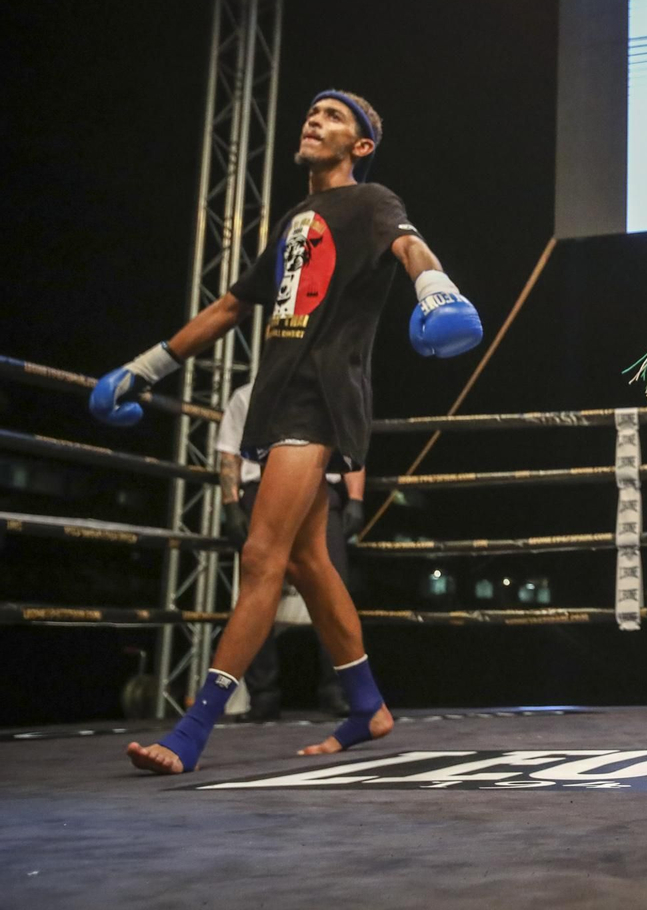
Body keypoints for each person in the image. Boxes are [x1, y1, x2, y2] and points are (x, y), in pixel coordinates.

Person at [90, 90, 483, 774]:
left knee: (261, 554)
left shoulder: (371, 202)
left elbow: (409, 244)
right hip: (279, 397)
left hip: (318, 399)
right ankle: (368, 706)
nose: (314, 120)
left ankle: (192, 730)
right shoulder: (294, 220)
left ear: (360, 145)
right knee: (306, 560)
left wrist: (436, 288)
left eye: (333, 117)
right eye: (312, 112)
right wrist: (144, 368)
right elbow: (231, 306)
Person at [218, 380, 364, 721]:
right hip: (261, 490)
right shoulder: (247, 396)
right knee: (258, 588)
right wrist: (231, 505)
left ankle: (340, 690)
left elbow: (351, 448)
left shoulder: (327, 388)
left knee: (334, 589)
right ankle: (263, 696)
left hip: (319, 490)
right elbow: (228, 451)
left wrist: (355, 498)